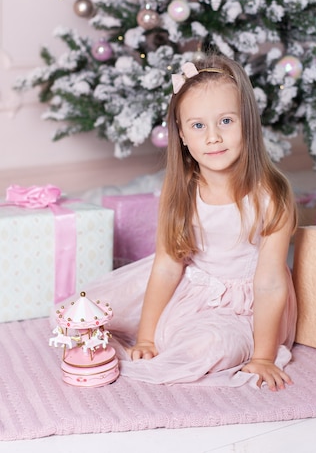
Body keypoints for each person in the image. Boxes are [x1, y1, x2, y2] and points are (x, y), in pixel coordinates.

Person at [76, 54, 297, 390]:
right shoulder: (181, 189)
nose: (213, 137)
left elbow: (269, 283)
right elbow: (167, 266)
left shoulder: (271, 195)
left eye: (226, 121)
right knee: (93, 308)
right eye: (198, 126)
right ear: (181, 134)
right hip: (192, 286)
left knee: (206, 348)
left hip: (246, 307)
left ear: (247, 123)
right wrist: (147, 338)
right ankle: (166, 332)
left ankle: (204, 338)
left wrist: (264, 356)